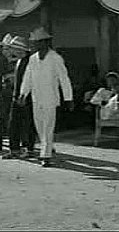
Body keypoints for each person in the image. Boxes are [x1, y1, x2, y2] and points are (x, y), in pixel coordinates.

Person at [18, 27, 74, 167]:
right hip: (36, 97)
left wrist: (68, 98)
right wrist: (23, 94)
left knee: (48, 126)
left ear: (44, 42)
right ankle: (46, 148)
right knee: (40, 127)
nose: (34, 45)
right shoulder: (32, 59)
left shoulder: (55, 58)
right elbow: (28, 78)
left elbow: (64, 79)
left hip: (50, 97)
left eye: (36, 42)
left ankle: (45, 155)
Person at [2, 35, 37, 159]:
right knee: (14, 123)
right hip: (16, 96)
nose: (12, 51)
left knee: (28, 124)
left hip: (27, 97)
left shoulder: (31, 61)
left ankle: (29, 148)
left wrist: (23, 95)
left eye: (14, 48)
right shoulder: (19, 61)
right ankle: (14, 149)